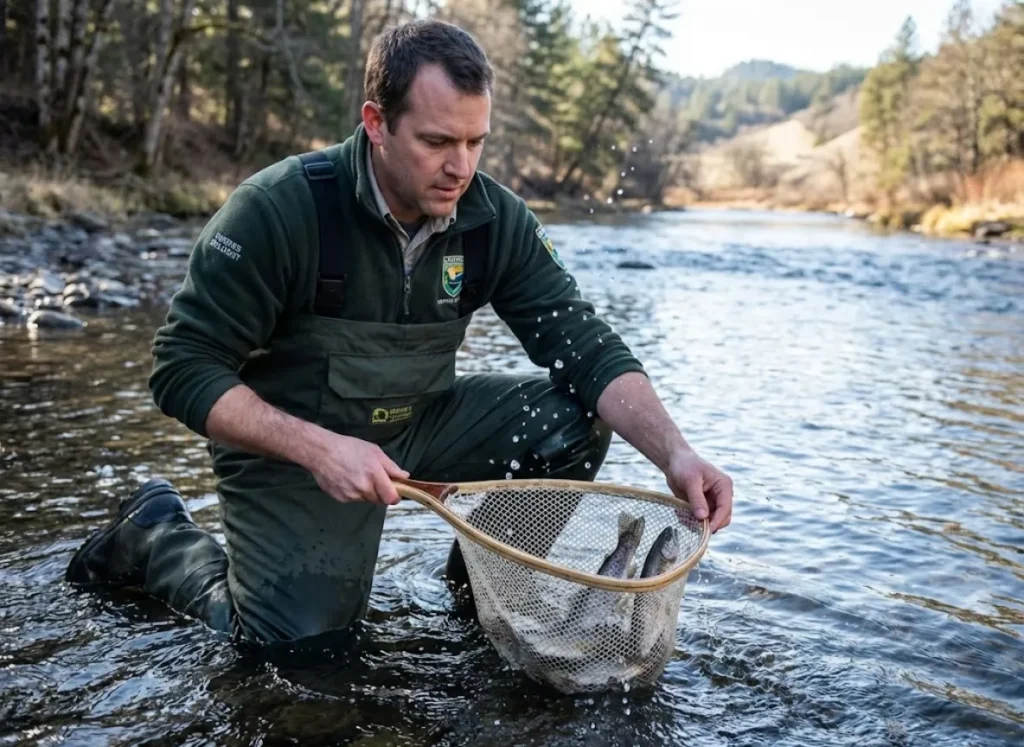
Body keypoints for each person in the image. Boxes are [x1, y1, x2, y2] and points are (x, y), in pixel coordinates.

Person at [65, 19, 733, 644]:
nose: (461, 167)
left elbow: (585, 346)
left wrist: (674, 452)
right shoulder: (279, 209)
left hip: (419, 421)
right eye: (438, 142)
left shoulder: (494, 219)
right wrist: (320, 448)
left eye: (475, 142)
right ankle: (157, 534)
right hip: (294, 447)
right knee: (296, 642)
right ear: (376, 124)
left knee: (573, 419)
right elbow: (181, 368)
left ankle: (476, 590)